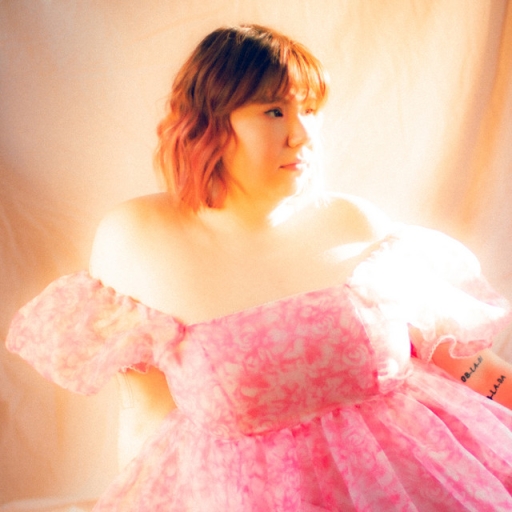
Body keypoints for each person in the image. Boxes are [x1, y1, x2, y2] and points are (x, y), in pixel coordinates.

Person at [6, 24, 512, 511]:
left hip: (418, 485)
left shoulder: (353, 221)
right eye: (274, 111)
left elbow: (460, 361)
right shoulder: (140, 238)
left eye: (310, 109)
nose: (303, 134)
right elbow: (145, 415)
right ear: (206, 123)